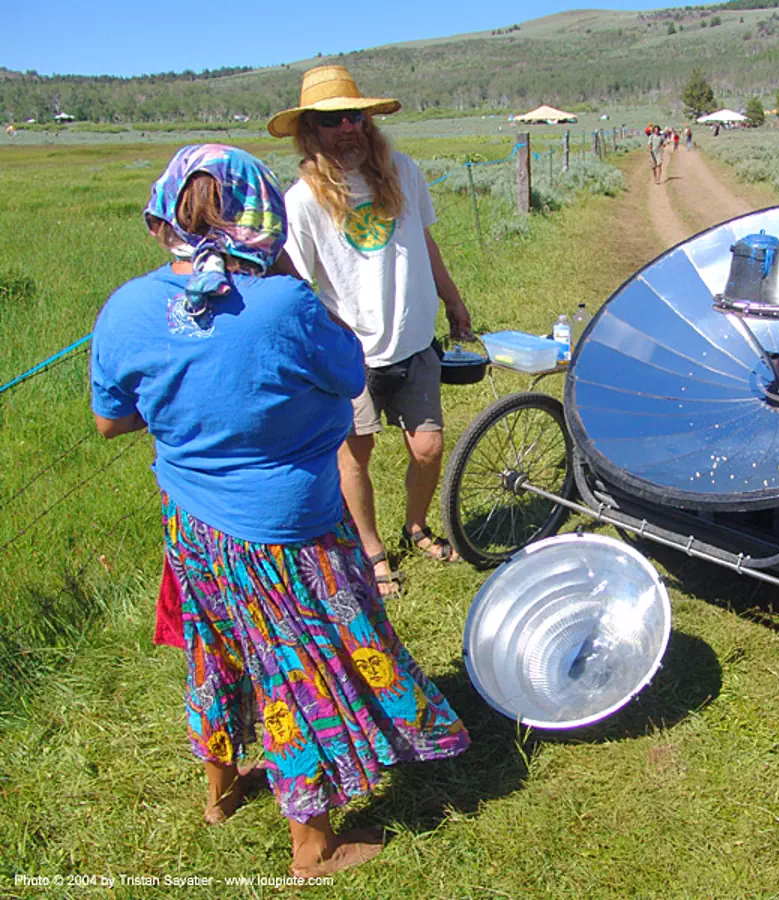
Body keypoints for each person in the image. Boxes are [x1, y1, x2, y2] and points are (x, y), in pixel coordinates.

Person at [90, 144, 470, 878]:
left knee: (218, 651)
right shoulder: (284, 305)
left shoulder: (128, 309)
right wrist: (287, 279)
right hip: (288, 530)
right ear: (262, 216)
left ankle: (221, 792)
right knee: (295, 672)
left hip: (192, 523)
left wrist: (182, 409)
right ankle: (313, 844)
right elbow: (348, 371)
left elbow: (110, 420)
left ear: (166, 213)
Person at [268, 65, 472, 585]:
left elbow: (425, 242)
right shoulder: (302, 201)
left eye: (354, 116)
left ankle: (416, 527)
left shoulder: (402, 171)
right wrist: (323, 340)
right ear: (309, 131)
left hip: (415, 340)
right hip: (351, 355)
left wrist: (453, 300)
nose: (347, 128)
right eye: (331, 120)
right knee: (355, 455)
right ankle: (373, 550)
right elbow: (296, 282)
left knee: (428, 449)